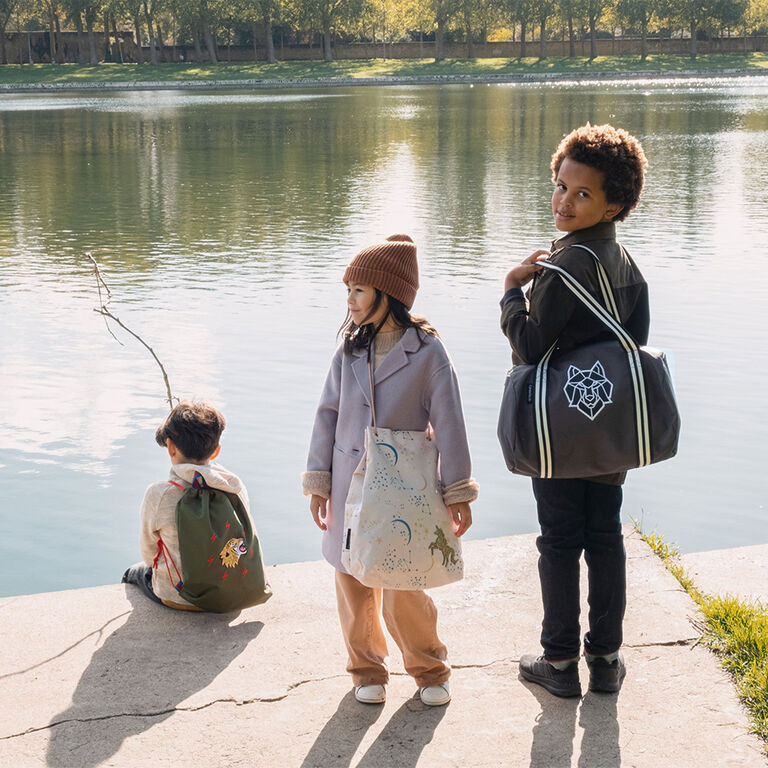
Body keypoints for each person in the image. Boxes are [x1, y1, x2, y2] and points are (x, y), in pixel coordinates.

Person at [500, 124, 650, 697]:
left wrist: (513, 290)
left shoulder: (564, 268)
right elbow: (631, 346)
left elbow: (531, 347)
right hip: (609, 431)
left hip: (559, 434)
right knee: (605, 536)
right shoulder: (626, 263)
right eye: (561, 185)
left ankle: (559, 662)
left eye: (582, 194)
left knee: (560, 540)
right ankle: (606, 660)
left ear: (614, 202)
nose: (564, 200)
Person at [303, 234, 478, 707]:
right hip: (347, 484)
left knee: (405, 582)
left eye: (359, 290)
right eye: (348, 290)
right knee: (353, 578)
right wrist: (318, 479)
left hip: (404, 488)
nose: (350, 301)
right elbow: (327, 413)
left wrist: (457, 490)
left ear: (388, 294)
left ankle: (429, 667)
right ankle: (366, 669)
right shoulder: (349, 351)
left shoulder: (428, 353)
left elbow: (450, 423)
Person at [122, 400, 257, 611]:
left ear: (170, 447)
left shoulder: (159, 494)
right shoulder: (234, 486)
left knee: (134, 572)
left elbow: (149, 554)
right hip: (230, 595)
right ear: (215, 451)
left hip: (181, 597)